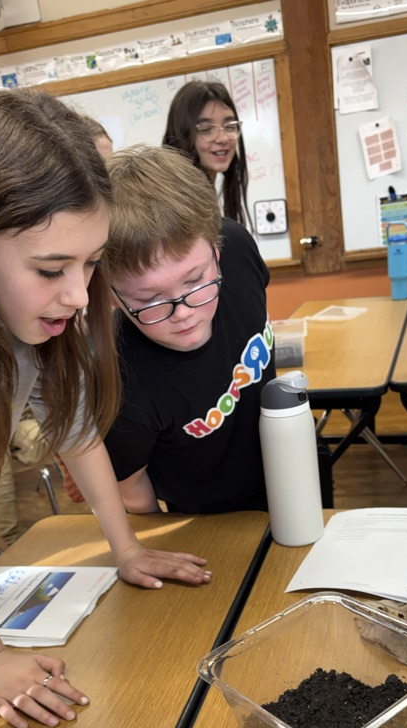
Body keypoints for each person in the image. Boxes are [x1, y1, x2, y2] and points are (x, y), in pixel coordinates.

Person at [0, 89, 211, 728]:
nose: (79, 296)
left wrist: (126, 548)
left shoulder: (29, 312)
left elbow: (73, 426)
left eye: (91, 264)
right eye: (52, 270)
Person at [102, 144, 274, 515]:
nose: (182, 312)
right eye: (149, 299)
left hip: (288, 463)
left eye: (195, 280)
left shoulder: (239, 249)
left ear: (217, 250)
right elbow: (131, 489)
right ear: (112, 296)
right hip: (206, 520)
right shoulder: (122, 383)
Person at [162, 80, 251, 229]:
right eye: (206, 129)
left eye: (229, 127)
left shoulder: (206, 200)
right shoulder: (172, 208)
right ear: (182, 135)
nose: (222, 139)